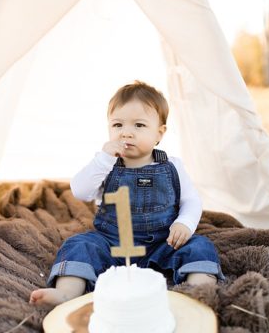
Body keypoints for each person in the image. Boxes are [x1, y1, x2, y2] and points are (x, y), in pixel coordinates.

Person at [29, 81, 223, 306]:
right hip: (112, 243)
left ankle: (199, 292)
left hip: (163, 242)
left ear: (159, 133)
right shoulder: (105, 164)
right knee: (79, 245)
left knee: (200, 246)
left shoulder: (173, 166)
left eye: (139, 125)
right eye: (118, 125)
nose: (126, 133)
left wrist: (184, 224)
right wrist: (103, 159)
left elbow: (191, 200)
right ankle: (66, 293)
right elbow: (80, 191)